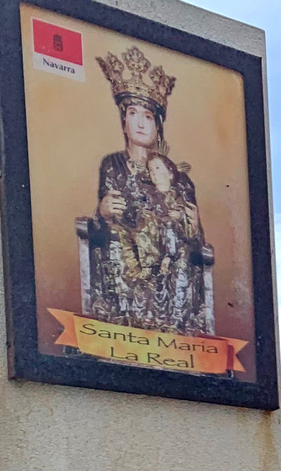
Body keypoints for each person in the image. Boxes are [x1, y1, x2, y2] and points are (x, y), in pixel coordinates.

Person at [89, 44, 208, 334]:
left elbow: (194, 237)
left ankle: (176, 327)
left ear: (158, 124)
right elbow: (108, 220)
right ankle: (123, 321)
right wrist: (103, 212)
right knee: (118, 239)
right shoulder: (113, 166)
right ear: (124, 120)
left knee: (177, 249)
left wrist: (190, 227)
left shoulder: (179, 178)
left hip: (169, 260)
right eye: (133, 113)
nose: (141, 123)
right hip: (130, 253)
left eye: (148, 116)